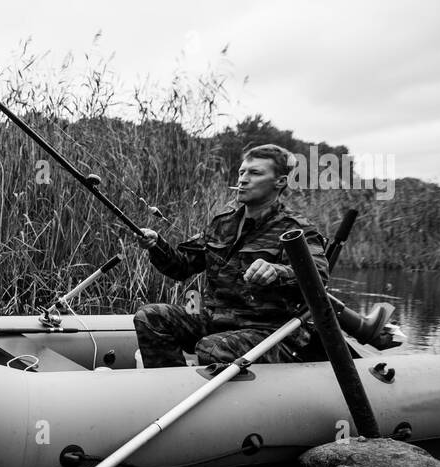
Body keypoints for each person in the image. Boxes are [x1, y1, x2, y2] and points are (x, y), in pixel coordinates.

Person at [133, 143, 328, 368]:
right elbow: (182, 267)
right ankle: (172, 389)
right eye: (241, 172)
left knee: (213, 347)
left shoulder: (296, 228)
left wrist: (276, 271)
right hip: (217, 321)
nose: (243, 179)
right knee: (149, 317)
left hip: (270, 331)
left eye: (255, 173)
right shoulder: (222, 223)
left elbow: (319, 279)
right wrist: (156, 244)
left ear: (280, 182)